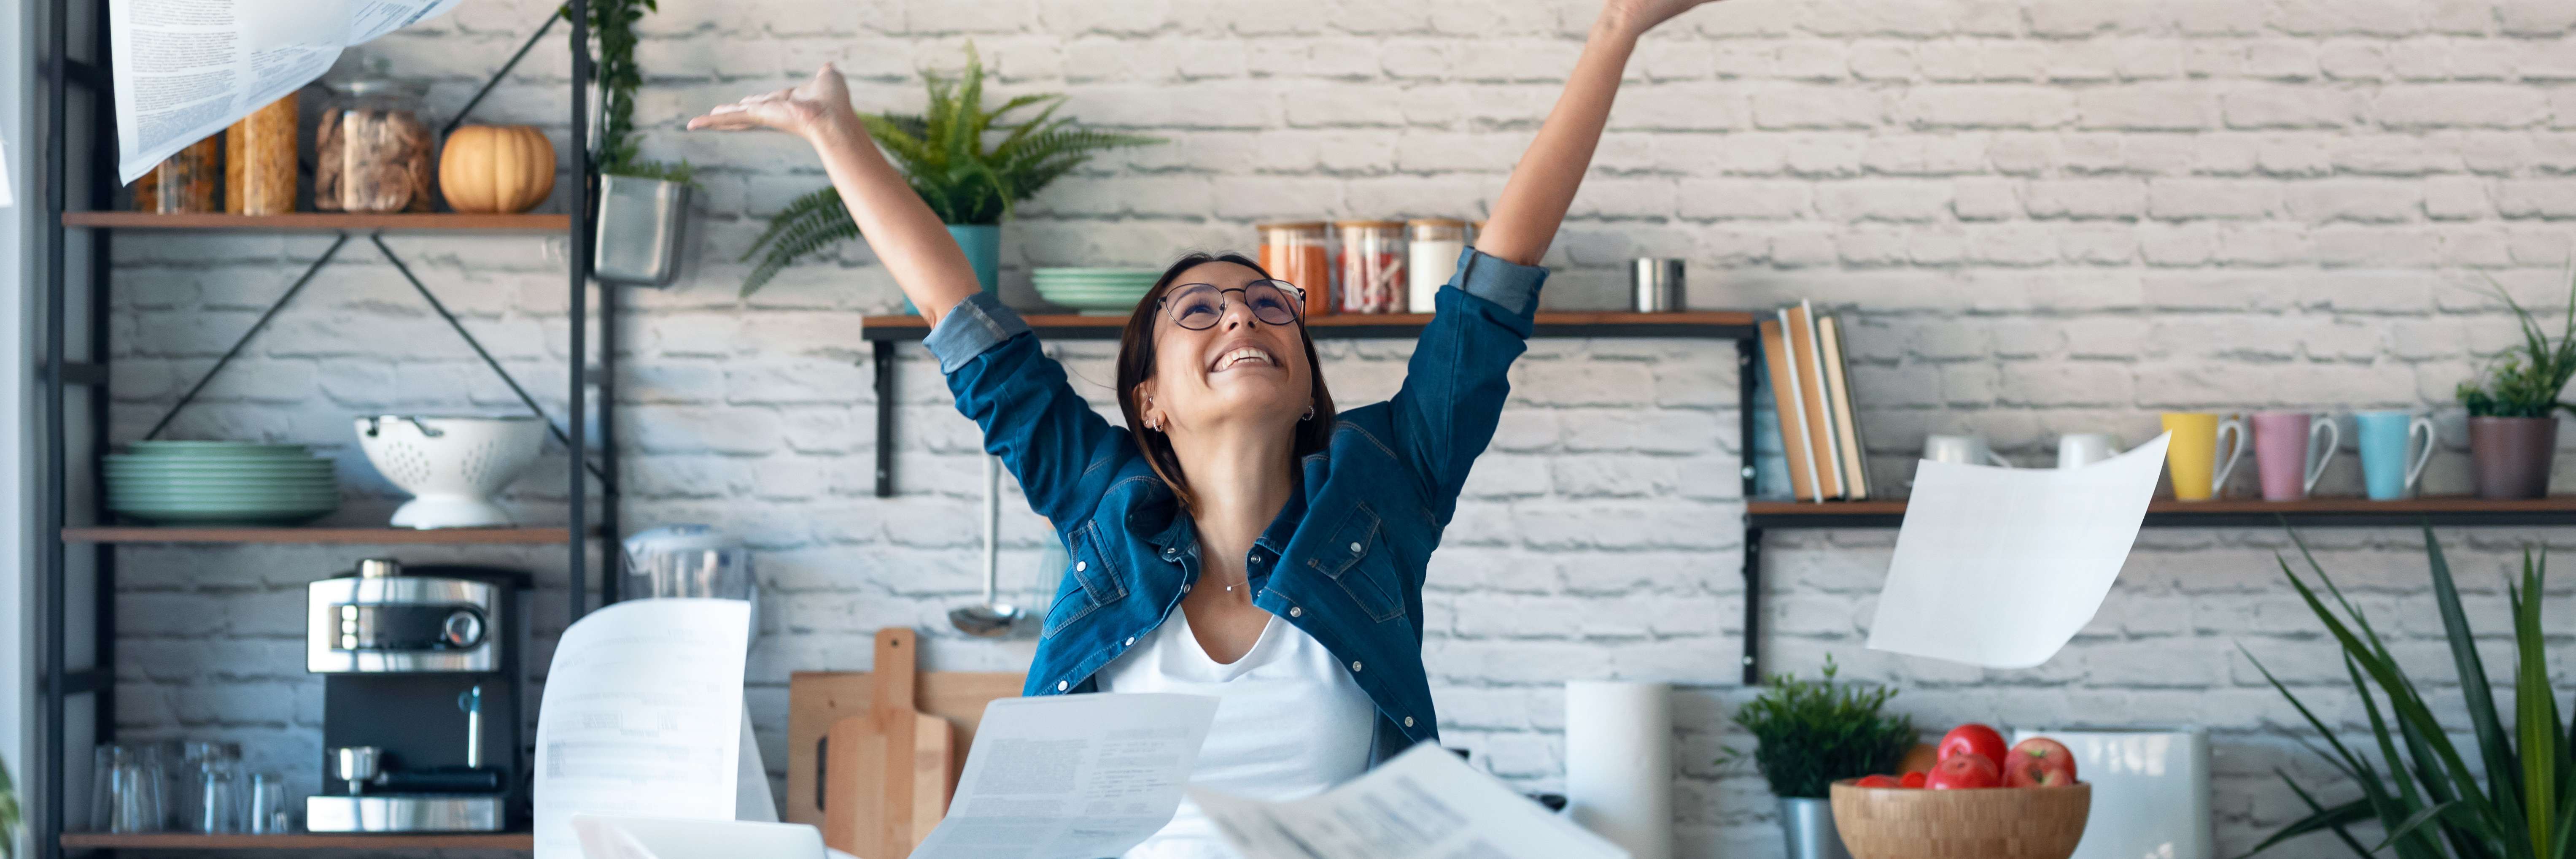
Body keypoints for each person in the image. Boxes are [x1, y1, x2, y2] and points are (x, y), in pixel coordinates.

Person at [690, 1, 1725, 854]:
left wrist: (1612, 36)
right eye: (1201, 311)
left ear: (1307, 378)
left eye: (1272, 305)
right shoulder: (1101, 501)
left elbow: (1491, 295)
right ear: (1151, 400)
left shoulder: (1385, 487)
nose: (1243, 315)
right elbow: (965, 321)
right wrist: (835, 130)